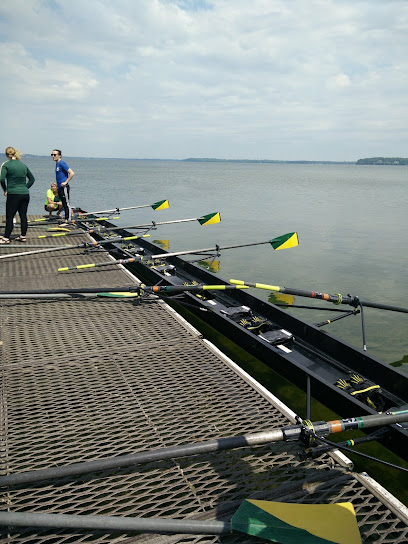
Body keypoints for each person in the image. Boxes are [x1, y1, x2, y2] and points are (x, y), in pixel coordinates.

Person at [0, 147, 35, 244]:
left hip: (13, 194)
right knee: (23, 215)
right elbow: (32, 179)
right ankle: (23, 236)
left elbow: (2, 179)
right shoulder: (23, 165)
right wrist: (25, 188)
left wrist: (5, 189)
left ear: (7, 155)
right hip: (25, 194)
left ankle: (6, 238)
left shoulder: (6, 165)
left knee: (10, 216)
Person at [51, 149, 75, 222]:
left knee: (66, 203)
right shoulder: (57, 164)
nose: (53, 156)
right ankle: (66, 218)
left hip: (64, 187)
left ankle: (68, 220)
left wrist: (65, 182)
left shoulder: (62, 163)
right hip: (59, 187)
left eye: (55, 155)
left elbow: (72, 173)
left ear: (59, 156)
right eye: (52, 155)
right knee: (64, 203)